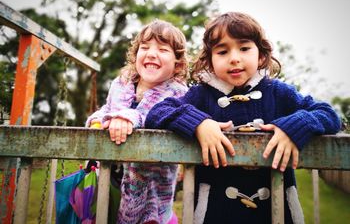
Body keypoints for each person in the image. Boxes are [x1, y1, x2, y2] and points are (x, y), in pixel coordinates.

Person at [145, 12, 341, 224]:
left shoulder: (279, 92)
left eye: (244, 48)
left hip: (275, 212)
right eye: (222, 51)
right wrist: (199, 122)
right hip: (214, 211)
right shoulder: (201, 95)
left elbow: (329, 114)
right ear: (210, 61)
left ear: (261, 55)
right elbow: (157, 112)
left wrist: (293, 126)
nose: (235, 58)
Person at [86, 19, 189, 224]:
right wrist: (98, 120)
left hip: (149, 188)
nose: (151, 53)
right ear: (136, 55)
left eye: (162, 49)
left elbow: (156, 115)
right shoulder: (121, 83)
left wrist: (127, 118)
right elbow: (107, 109)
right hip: (109, 177)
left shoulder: (178, 92)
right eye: (145, 47)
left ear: (178, 62)